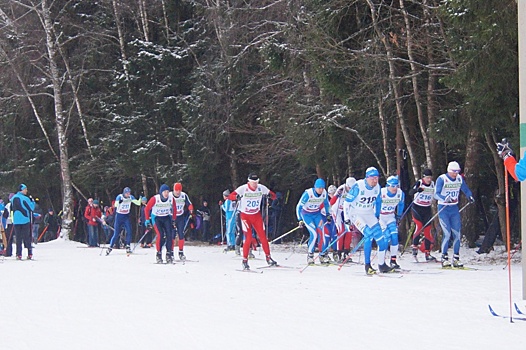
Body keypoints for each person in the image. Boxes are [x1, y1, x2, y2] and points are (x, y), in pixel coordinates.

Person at [343, 167, 393, 274]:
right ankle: (367, 265)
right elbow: (346, 203)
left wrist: (377, 214)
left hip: (369, 214)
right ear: (367, 178)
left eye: (376, 178)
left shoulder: (377, 187)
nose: (375, 180)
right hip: (356, 214)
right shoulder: (358, 186)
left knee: (382, 239)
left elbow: (378, 201)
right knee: (369, 235)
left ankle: (382, 265)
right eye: (372, 178)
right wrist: (346, 218)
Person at [228, 173, 278, 270]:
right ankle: (245, 260)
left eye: (256, 182)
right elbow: (230, 196)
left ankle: (268, 257)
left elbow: (273, 195)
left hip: (256, 216)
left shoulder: (261, 188)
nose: (254, 185)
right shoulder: (243, 188)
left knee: (263, 237)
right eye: (253, 183)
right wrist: (236, 197)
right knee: (248, 237)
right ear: (248, 182)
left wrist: (270, 196)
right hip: (245, 216)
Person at [434, 161, 475, 267]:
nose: (455, 174)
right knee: (447, 234)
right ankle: (444, 257)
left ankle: (456, 258)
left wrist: (469, 196)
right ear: (449, 170)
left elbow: (465, 189)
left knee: (457, 234)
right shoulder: (442, 179)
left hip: (454, 209)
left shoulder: (459, 179)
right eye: (454, 172)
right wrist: (444, 199)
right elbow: (436, 194)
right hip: (443, 208)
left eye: (457, 172)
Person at [296, 178, 331, 264]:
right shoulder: (308, 193)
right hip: (306, 215)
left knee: (322, 233)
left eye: (322, 188)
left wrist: (328, 214)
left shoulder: (324, 193)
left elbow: (326, 204)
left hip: (317, 214)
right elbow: (299, 207)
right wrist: (300, 219)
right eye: (319, 188)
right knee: (314, 234)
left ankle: (322, 255)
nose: (321, 190)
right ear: (315, 187)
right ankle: (310, 255)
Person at [375, 175, 405, 269]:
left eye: (396, 186)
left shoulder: (400, 193)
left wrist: (399, 216)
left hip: (391, 216)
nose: (394, 188)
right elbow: (376, 204)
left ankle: (393, 260)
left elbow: (401, 204)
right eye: (392, 186)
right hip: (381, 217)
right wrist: (376, 216)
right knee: (386, 238)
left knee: (395, 237)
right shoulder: (381, 192)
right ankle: (381, 262)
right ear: (388, 186)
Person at [408, 168, 437, 262]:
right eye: (427, 177)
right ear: (423, 177)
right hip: (417, 208)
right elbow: (410, 192)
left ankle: (427, 253)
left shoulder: (432, 184)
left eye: (430, 177)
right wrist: (417, 190)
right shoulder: (419, 182)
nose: (429, 179)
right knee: (419, 226)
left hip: (427, 209)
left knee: (428, 230)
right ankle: (414, 248)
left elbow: (436, 194)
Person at [144, 184, 177, 264]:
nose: (166, 193)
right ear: (161, 192)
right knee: (160, 234)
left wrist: (173, 219)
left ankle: (169, 253)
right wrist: (147, 220)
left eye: (167, 192)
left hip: (166, 217)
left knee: (169, 235)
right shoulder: (155, 199)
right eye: (164, 192)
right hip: (156, 218)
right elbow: (147, 209)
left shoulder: (171, 199)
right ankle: (158, 254)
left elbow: (174, 208)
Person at [107, 187, 141, 255]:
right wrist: (119, 202)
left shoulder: (130, 197)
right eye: (127, 193)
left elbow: (137, 203)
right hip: (119, 216)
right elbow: (115, 205)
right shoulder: (120, 196)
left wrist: (140, 198)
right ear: (124, 193)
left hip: (126, 216)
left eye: (129, 193)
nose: (128, 194)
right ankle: (110, 247)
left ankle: (128, 246)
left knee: (129, 231)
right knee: (116, 233)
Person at [329, 178, 356, 263]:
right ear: (347, 186)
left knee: (349, 231)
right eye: (349, 188)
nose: (350, 190)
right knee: (341, 231)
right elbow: (333, 200)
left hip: (347, 211)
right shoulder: (341, 188)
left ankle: (346, 252)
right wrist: (328, 209)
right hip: (338, 210)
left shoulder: (356, 189)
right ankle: (338, 252)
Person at [11, 184, 35, 260]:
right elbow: (31, 208)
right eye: (25, 189)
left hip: (16, 221)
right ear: (22, 190)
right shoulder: (25, 198)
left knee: (18, 238)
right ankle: (29, 253)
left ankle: (18, 254)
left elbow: (11, 209)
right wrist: (33, 202)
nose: (26, 191)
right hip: (25, 220)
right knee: (27, 237)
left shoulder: (13, 198)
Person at [172, 183, 194, 260]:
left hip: (180, 216)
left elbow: (189, 203)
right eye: (176, 190)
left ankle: (181, 252)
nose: (178, 192)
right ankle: (171, 252)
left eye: (179, 190)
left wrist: (191, 208)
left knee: (181, 234)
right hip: (172, 217)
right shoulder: (170, 196)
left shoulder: (183, 195)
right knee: (172, 235)